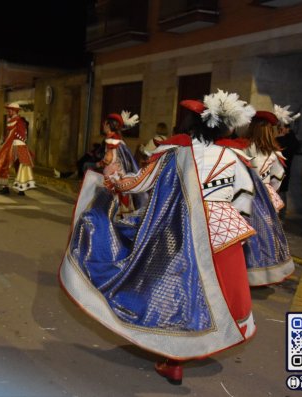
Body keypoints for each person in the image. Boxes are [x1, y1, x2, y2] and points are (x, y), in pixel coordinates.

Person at [59, 89, 257, 385]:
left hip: (182, 233)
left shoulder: (175, 152)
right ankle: (186, 352)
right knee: (214, 299)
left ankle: (174, 359)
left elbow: (139, 183)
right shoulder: (234, 156)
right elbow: (244, 199)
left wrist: (113, 181)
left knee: (173, 295)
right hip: (224, 234)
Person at [242, 110, 294, 286]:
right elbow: (277, 179)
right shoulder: (273, 154)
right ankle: (262, 274)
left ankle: (241, 274)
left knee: (242, 237)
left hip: (242, 196)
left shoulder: (241, 148)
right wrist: (268, 192)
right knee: (266, 237)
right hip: (264, 199)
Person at [96, 110, 146, 215]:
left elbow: (108, 159)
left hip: (112, 175)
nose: (103, 126)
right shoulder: (119, 139)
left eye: (104, 124)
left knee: (107, 205)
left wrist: (99, 164)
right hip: (120, 174)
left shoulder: (111, 140)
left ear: (108, 125)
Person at [0, 102, 36, 196]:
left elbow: (19, 135)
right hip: (16, 146)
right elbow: (10, 135)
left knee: (7, 165)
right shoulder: (13, 120)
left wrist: (6, 145)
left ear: (14, 111)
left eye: (10, 109)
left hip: (16, 146)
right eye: (8, 109)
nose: (8, 111)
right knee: (18, 167)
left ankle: (9, 188)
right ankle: (19, 189)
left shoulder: (19, 121)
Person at [274, 105, 301, 223]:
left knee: (281, 193)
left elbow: (287, 151)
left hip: (284, 170)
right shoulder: (278, 137)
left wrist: (280, 138)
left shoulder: (291, 140)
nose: (280, 129)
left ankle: (281, 217)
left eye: (282, 127)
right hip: (275, 170)